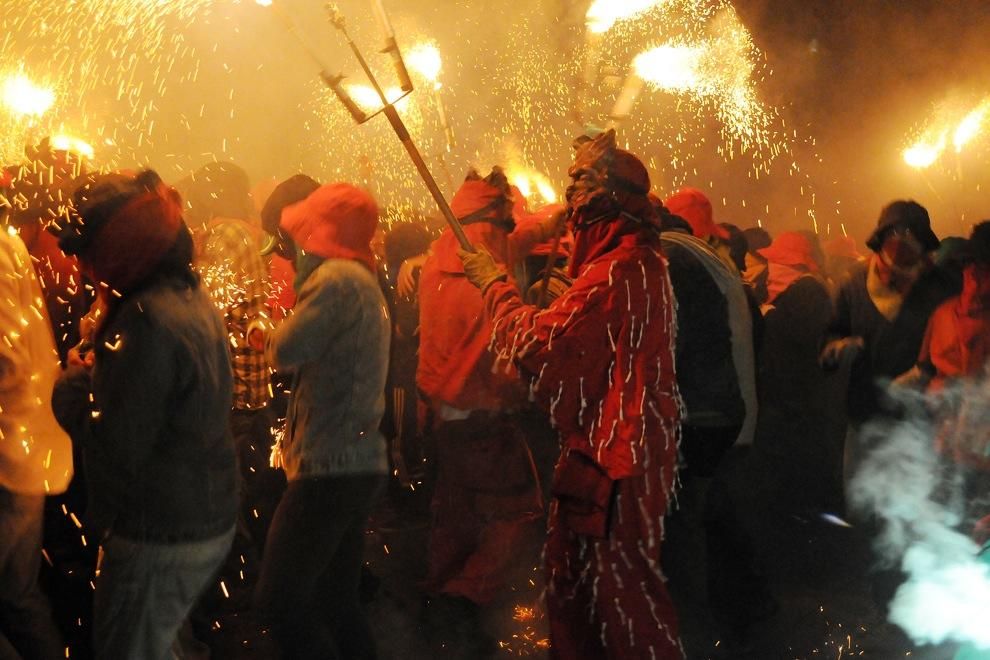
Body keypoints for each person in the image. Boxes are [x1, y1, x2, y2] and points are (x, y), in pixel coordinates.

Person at [459, 130, 683, 659]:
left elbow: (540, 344)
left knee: (621, 607)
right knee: (588, 591)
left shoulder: (617, 271)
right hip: (619, 450)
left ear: (601, 213)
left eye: (580, 214)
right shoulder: (643, 263)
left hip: (616, 459)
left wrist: (494, 284)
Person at [50, 170, 238, 659]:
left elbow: (114, 444)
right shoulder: (190, 297)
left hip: (157, 532)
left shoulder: (145, 319)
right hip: (201, 516)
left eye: (90, 255)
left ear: (120, 252)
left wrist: (72, 385)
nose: (86, 269)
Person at [253, 182, 390, 660]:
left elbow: (286, 350)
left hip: (327, 466)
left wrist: (261, 332)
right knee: (337, 600)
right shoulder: (361, 280)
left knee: (279, 601)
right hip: (354, 460)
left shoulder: (335, 282)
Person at [416, 168, 558, 620]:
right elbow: (505, 356)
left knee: (454, 509)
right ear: (489, 226)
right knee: (516, 512)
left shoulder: (438, 260)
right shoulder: (485, 282)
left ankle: (438, 590)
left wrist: (553, 223)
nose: (510, 234)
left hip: (443, 415)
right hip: (483, 416)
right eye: (506, 224)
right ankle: (467, 596)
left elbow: (505, 245)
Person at [821, 200, 960, 474]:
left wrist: (926, 371)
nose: (900, 242)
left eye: (909, 237)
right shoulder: (854, 285)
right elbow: (832, 334)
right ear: (880, 242)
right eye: (893, 236)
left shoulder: (944, 286)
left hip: (923, 424)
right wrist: (835, 349)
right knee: (862, 508)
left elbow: (961, 346)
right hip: (865, 418)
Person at [192, 162, 278, 558]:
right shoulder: (237, 233)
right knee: (245, 485)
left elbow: (209, 314)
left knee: (233, 491)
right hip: (247, 386)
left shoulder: (224, 236)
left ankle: (245, 572)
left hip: (235, 391)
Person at [0, 220, 74, 660]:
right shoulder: (7, 244)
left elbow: (7, 363)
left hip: (9, 459)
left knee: (17, 598)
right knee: (18, 598)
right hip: (22, 450)